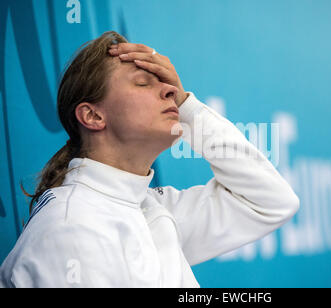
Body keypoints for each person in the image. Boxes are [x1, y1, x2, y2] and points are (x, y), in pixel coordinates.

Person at [0, 31, 299, 287]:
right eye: (144, 83)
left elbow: (271, 202)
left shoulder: (150, 209)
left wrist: (188, 107)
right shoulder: (72, 229)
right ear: (92, 116)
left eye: (167, 86)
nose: (170, 90)